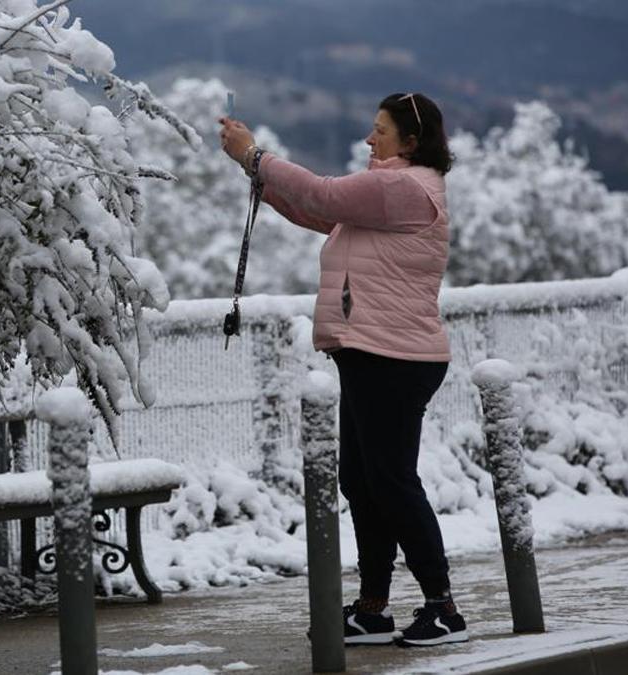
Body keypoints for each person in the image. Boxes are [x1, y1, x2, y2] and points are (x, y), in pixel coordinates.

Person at [218, 93, 467, 648]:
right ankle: (374, 609)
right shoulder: (390, 192)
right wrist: (254, 171)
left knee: (392, 481)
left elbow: (323, 192)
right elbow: (317, 211)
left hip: (394, 357)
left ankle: (442, 607)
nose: (369, 138)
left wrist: (256, 156)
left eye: (380, 130)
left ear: (410, 140)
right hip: (370, 351)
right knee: (363, 480)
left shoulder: (405, 186)